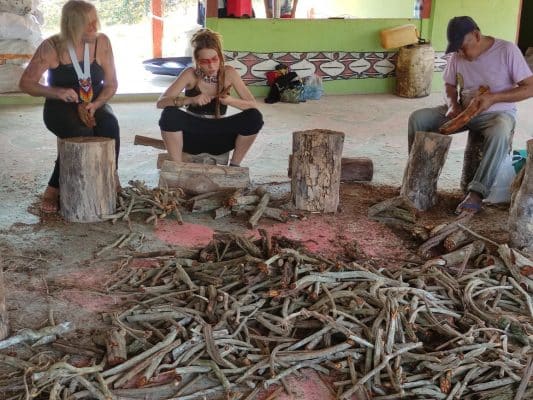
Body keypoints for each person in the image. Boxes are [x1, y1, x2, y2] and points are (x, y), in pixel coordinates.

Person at [407, 16, 533, 215]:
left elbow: (529, 87)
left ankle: (476, 193)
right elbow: (449, 85)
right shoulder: (457, 56)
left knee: (500, 130)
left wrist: (494, 98)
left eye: (463, 46)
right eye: (457, 48)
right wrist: (452, 105)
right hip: (463, 112)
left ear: (476, 35)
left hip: (496, 113)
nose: (461, 52)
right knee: (418, 118)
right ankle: (414, 178)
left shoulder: (506, 51)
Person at [19, 0, 120, 213]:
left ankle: (111, 176)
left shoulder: (102, 42)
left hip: (93, 99)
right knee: (81, 132)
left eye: (95, 21)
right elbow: (26, 83)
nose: (94, 28)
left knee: (110, 125)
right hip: (60, 105)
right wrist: (57, 92)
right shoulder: (52, 46)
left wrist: (98, 103)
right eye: (87, 24)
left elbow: (111, 83)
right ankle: (53, 188)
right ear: (71, 25)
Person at [157, 28, 263, 166]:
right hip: (192, 137)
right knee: (169, 114)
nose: (212, 65)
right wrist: (190, 100)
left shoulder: (229, 73)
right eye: (205, 61)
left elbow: (253, 105)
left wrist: (230, 101)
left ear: (220, 56)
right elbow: (161, 103)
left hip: (219, 138)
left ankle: (235, 166)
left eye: (214, 59)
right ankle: (177, 167)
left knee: (254, 117)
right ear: (197, 61)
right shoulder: (190, 74)